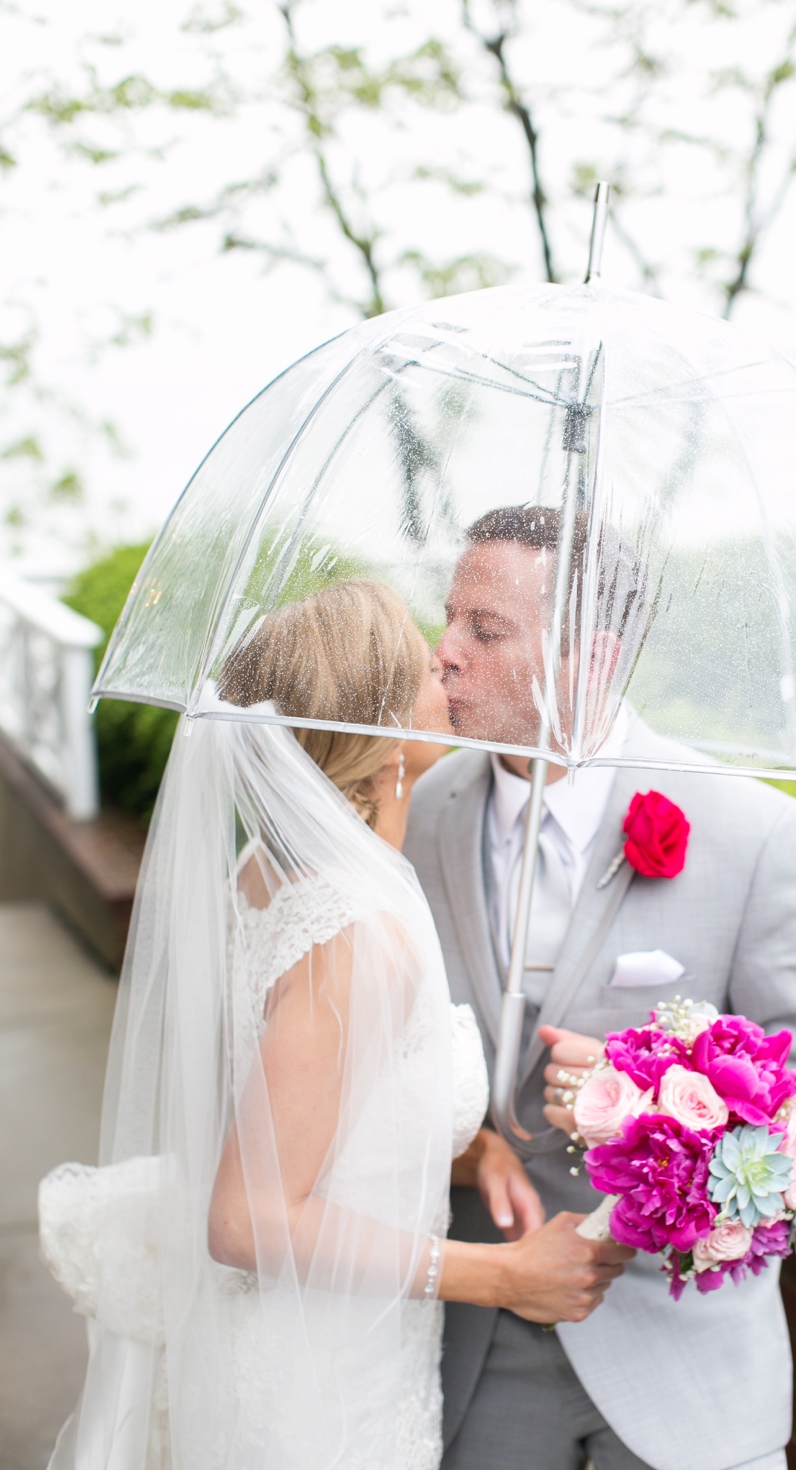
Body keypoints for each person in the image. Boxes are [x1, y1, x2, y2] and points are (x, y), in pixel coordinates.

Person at [39, 579, 632, 1470]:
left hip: (326, 1338)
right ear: (382, 735)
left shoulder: (270, 870)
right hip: (319, 1382)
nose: (451, 667)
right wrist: (499, 1275)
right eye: (428, 668)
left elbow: (299, 1113)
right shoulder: (356, 927)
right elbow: (244, 1220)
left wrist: (473, 1150)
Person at [404, 508, 796, 1470]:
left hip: (685, 1355)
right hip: (481, 1345)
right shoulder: (421, 812)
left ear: (592, 654)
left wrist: (653, 1114)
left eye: (484, 630)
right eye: (449, 618)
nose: (442, 653)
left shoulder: (753, 831)